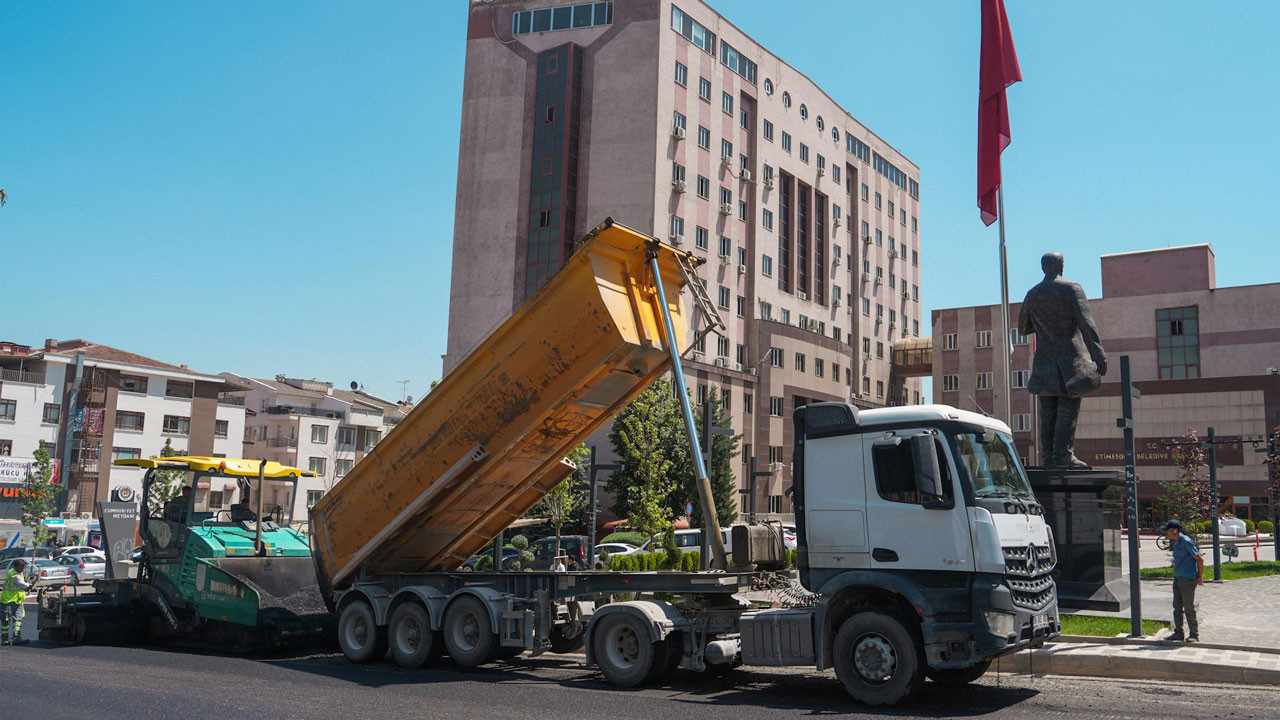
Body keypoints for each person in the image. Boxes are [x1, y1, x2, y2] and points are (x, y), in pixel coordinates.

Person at [1018, 251, 1107, 468]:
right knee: (1068, 409)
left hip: (1044, 362)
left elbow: (1023, 327)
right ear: (1062, 266)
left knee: (1048, 413)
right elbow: (1086, 324)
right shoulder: (1071, 289)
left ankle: (1049, 457)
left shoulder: (1033, 293)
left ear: (1042, 268)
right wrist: (1098, 354)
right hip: (1070, 361)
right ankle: (1064, 456)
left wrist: (1042, 323)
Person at [1161, 519, 1204, 642]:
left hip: (1188, 579)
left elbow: (1199, 559)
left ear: (1175, 530)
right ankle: (1178, 633)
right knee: (1177, 606)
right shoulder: (1175, 542)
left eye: (1168, 531)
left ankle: (1194, 635)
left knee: (1188, 607)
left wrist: (1199, 576)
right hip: (1178, 578)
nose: (1166, 534)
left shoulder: (1186, 541)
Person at [1, 558, 31, 646]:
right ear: (15, 567)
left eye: (23, 567)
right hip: (8, 600)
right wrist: (29, 585)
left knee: (18, 619)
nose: (22, 569)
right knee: (5, 621)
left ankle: (17, 638)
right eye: (21, 568)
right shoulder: (14, 575)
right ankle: (5, 639)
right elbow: (22, 584)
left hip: (17, 600)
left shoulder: (18, 572)